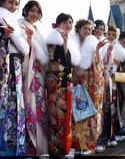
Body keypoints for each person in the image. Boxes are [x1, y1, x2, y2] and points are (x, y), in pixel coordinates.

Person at [0, 0, 30, 156]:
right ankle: (3, 150)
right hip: (5, 69)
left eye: (16, 4)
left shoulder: (13, 22)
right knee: (4, 104)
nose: (13, 6)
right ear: (2, 2)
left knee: (16, 104)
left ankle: (16, 148)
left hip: (15, 68)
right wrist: (4, 36)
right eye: (10, 2)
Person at [45, 13, 80, 157]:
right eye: (65, 22)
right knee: (57, 115)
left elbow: (68, 62)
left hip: (66, 81)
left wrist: (65, 43)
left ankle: (64, 148)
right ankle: (57, 150)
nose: (68, 25)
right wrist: (64, 43)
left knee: (65, 115)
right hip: (57, 82)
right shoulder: (53, 38)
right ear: (58, 23)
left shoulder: (67, 39)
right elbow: (55, 61)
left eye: (70, 22)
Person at [18, 0, 49, 156]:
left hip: (39, 73)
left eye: (38, 12)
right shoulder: (20, 25)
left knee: (40, 107)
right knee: (30, 106)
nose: (35, 14)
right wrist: (29, 40)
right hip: (28, 71)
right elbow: (23, 49)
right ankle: (29, 146)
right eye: (32, 11)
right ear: (25, 11)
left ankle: (40, 146)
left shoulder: (38, 30)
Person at [71, 19, 106, 155]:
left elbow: (99, 66)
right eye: (84, 28)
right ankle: (78, 145)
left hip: (90, 82)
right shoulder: (72, 42)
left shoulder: (93, 43)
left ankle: (90, 144)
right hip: (76, 82)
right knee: (78, 113)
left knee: (91, 113)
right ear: (78, 29)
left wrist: (97, 50)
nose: (87, 31)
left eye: (90, 29)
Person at [109, 31, 125, 143]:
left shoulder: (123, 48)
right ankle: (117, 130)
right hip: (115, 78)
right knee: (116, 105)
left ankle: (123, 129)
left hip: (120, 79)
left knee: (122, 104)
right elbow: (112, 61)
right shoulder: (117, 47)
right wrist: (120, 63)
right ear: (121, 38)